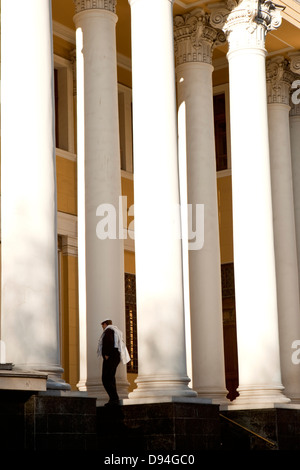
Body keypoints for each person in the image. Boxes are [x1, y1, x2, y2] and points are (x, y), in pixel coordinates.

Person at [97, 319, 130, 406]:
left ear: (105, 324)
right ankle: (113, 399)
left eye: (102, 325)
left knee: (106, 379)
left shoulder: (108, 331)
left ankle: (114, 398)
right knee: (111, 378)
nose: (102, 327)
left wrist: (107, 354)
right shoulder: (115, 330)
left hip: (110, 357)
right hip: (115, 357)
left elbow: (109, 341)